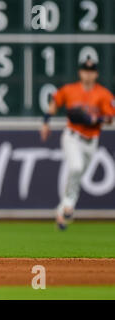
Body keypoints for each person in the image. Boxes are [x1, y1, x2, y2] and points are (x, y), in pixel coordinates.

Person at [40, 58, 114, 230]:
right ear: (80, 73)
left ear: (96, 74)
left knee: (78, 176)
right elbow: (54, 104)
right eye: (85, 71)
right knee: (76, 167)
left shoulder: (103, 94)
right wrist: (45, 122)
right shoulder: (69, 90)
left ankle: (61, 211)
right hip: (72, 136)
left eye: (91, 71)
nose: (88, 74)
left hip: (91, 141)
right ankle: (68, 206)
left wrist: (96, 119)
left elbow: (110, 118)